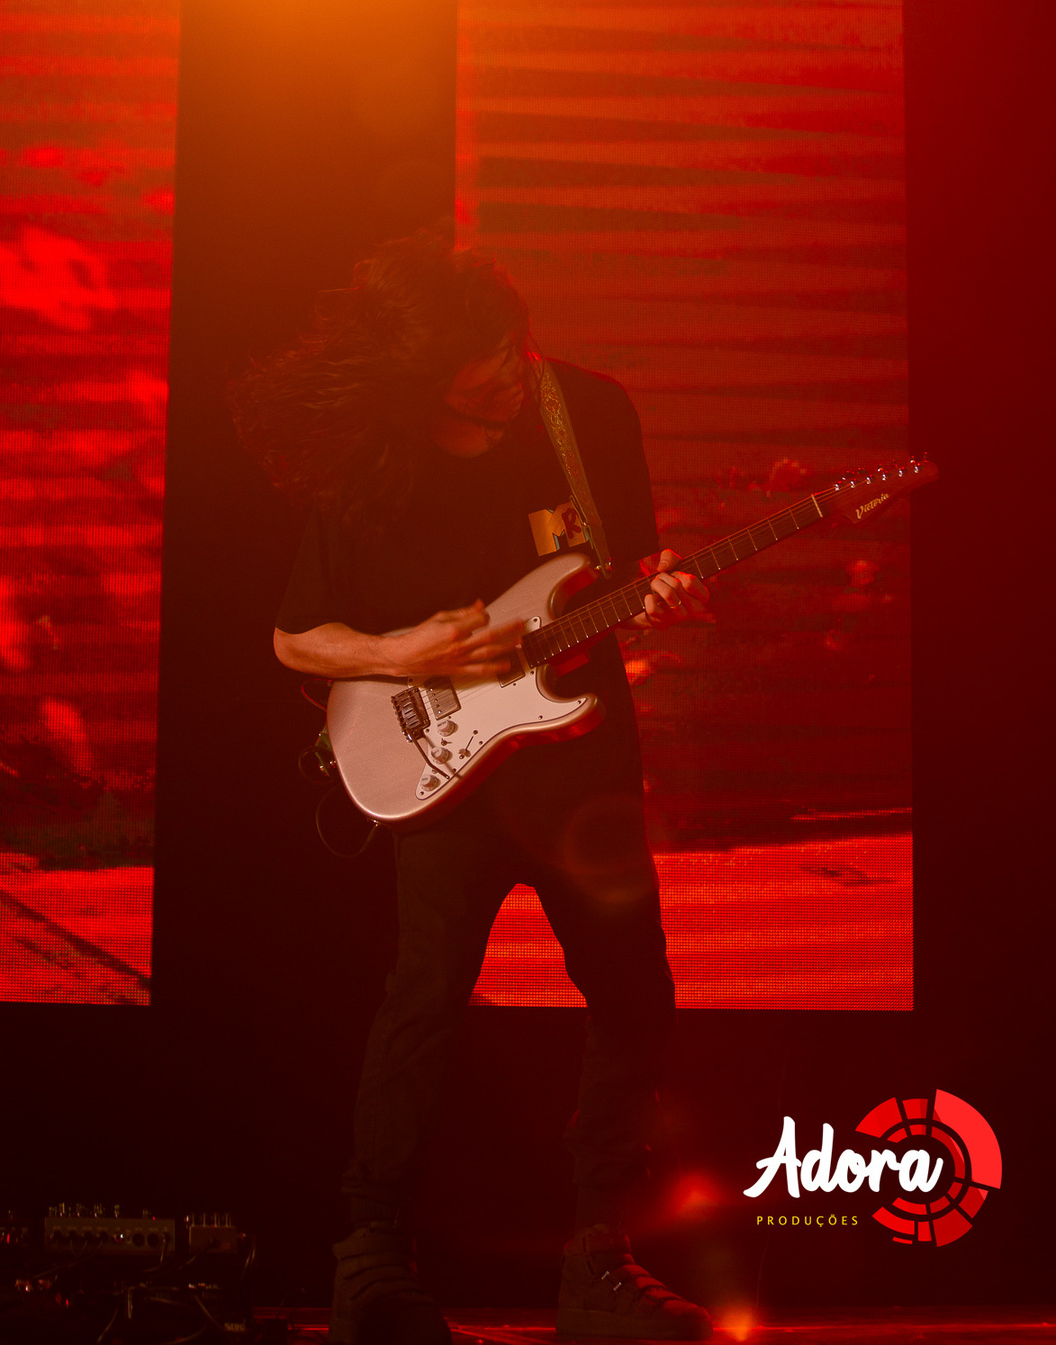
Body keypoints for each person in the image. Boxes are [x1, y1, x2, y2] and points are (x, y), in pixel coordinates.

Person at [234, 233, 712, 1343]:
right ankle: (371, 1261)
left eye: (514, 351)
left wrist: (665, 592)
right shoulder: (376, 456)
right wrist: (404, 654)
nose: (511, 378)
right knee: (425, 1000)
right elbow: (295, 638)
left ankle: (599, 1261)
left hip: (582, 768)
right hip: (448, 776)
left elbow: (629, 571)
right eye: (483, 372)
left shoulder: (587, 413)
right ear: (420, 380)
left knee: (635, 997)